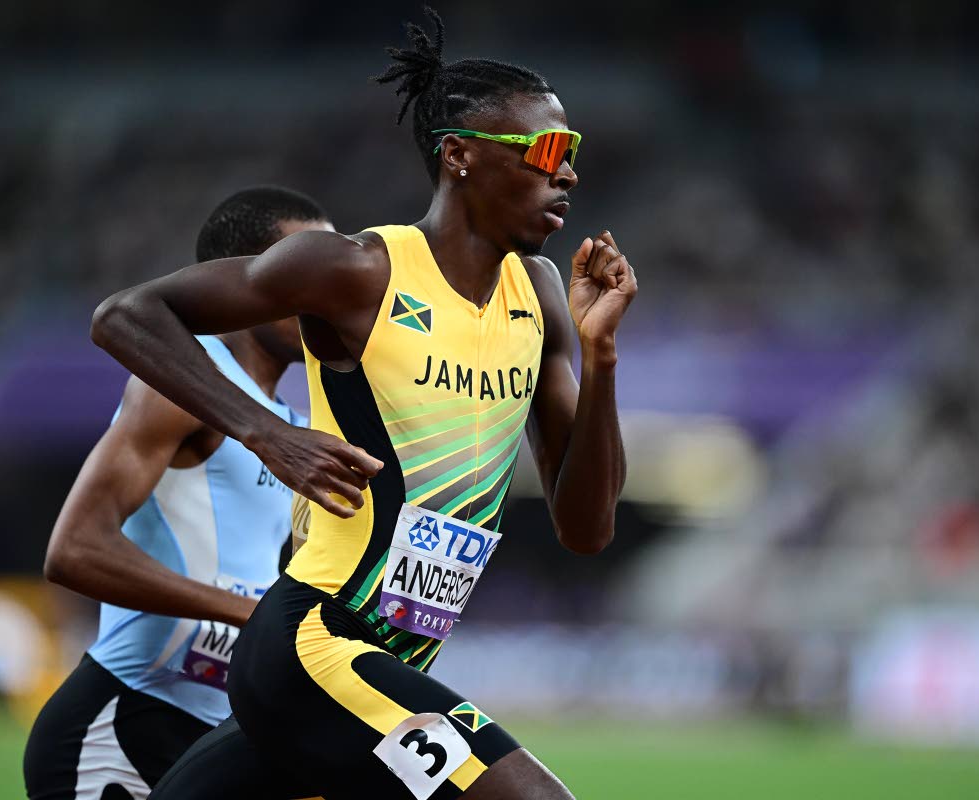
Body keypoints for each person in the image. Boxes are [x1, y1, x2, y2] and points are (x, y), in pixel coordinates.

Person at [92, 9, 637, 800]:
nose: (570, 175)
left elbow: (586, 529)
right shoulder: (357, 271)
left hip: (389, 662)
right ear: (460, 156)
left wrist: (601, 357)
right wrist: (267, 434)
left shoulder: (543, 295)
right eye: (551, 151)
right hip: (316, 645)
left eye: (573, 155)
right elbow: (125, 315)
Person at [22, 186, 333, 800]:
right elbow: (75, 548)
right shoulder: (183, 383)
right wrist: (252, 617)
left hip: (216, 735)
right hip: (119, 723)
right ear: (246, 280)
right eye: (304, 270)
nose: (323, 293)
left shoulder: (295, 426)